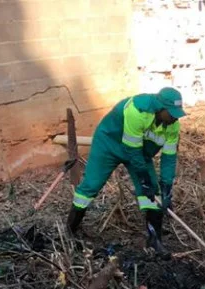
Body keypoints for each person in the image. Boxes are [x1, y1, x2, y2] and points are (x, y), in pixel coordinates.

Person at [67, 87, 184, 258]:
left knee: (154, 194)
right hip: (110, 144)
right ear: (160, 108)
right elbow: (132, 149)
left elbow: (169, 157)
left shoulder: (173, 125)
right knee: (90, 186)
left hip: (139, 150)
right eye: (172, 113)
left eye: (177, 114)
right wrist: (144, 180)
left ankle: (154, 240)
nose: (175, 117)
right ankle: (70, 230)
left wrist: (166, 187)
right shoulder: (137, 110)